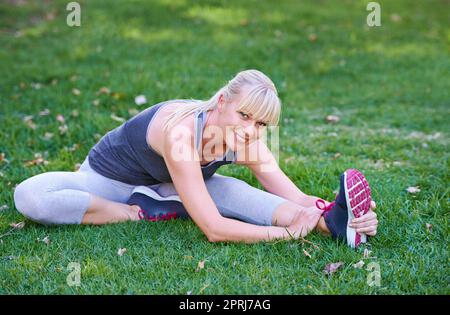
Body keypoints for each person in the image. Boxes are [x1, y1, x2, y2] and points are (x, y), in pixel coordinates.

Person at [13, 69, 378, 248]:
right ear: (222, 102)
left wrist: (332, 211)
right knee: (29, 196)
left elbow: (294, 197)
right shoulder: (180, 133)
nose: (251, 129)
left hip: (179, 184)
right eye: (244, 115)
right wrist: (283, 234)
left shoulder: (248, 139)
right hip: (107, 182)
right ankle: (137, 211)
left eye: (262, 122)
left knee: (233, 192)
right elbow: (215, 230)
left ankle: (334, 226)